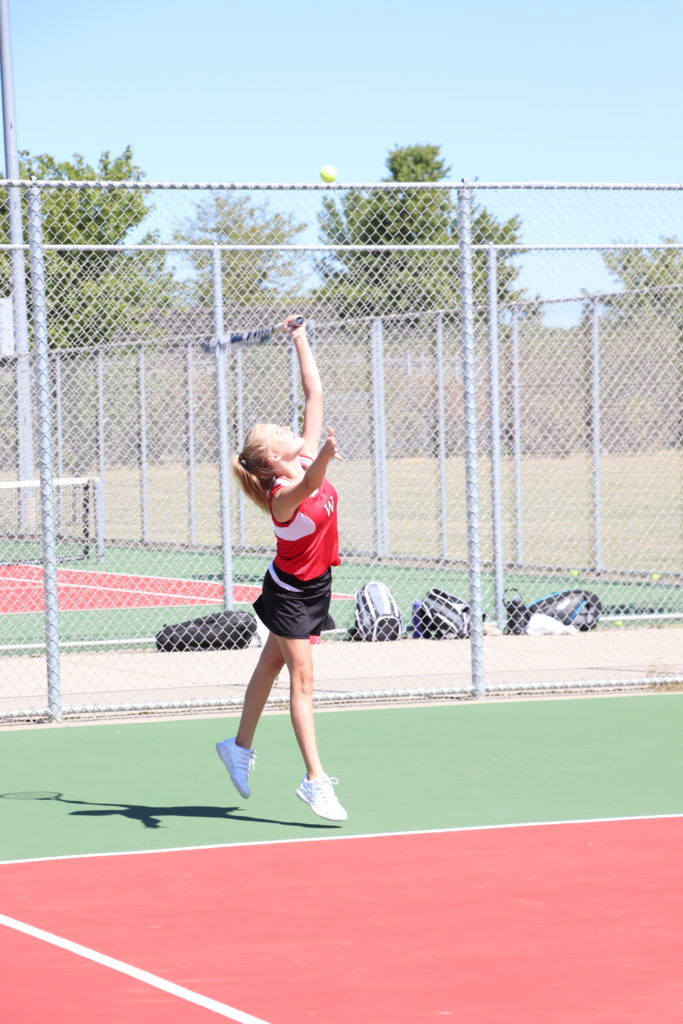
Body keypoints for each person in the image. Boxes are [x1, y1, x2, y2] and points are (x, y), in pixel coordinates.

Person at [215, 315, 347, 822]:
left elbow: (314, 393)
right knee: (303, 681)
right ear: (273, 456)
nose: (294, 429)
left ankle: (237, 747)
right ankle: (315, 780)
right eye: (281, 432)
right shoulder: (280, 498)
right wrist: (326, 458)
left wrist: (300, 337)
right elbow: (310, 486)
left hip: (313, 586)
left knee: (270, 666)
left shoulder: (306, 455)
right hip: (291, 594)